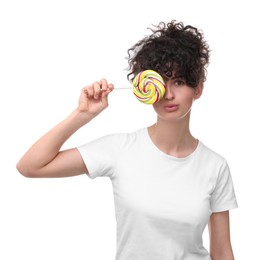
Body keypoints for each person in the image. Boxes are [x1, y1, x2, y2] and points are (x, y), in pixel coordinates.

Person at [17, 20, 238, 260]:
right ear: (145, 86)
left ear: (198, 89)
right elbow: (30, 166)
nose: (169, 94)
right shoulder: (120, 149)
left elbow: (222, 252)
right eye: (161, 81)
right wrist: (83, 115)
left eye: (179, 81)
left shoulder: (215, 166)